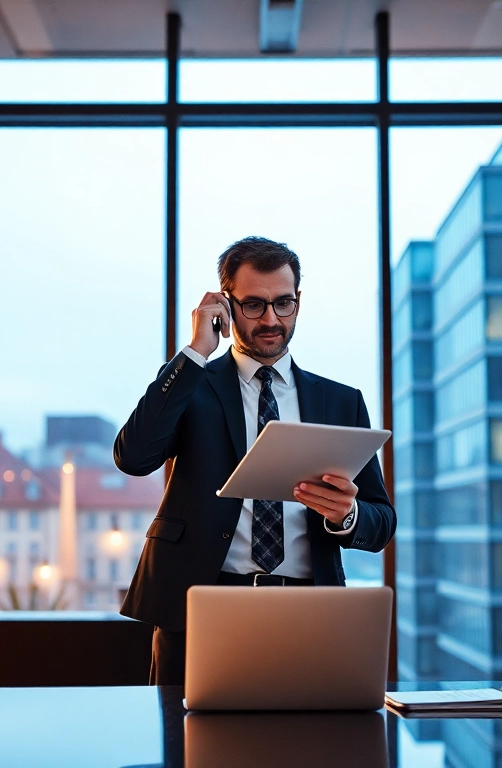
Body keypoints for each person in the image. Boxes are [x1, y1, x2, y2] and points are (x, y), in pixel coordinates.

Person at [114, 235, 396, 686]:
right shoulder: (193, 383)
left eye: (283, 303)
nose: (271, 319)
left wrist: (348, 515)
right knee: (187, 748)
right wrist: (195, 352)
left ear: (298, 302)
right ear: (224, 305)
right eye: (253, 305)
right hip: (201, 604)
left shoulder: (342, 402)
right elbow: (133, 457)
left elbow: (381, 523)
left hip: (312, 611)